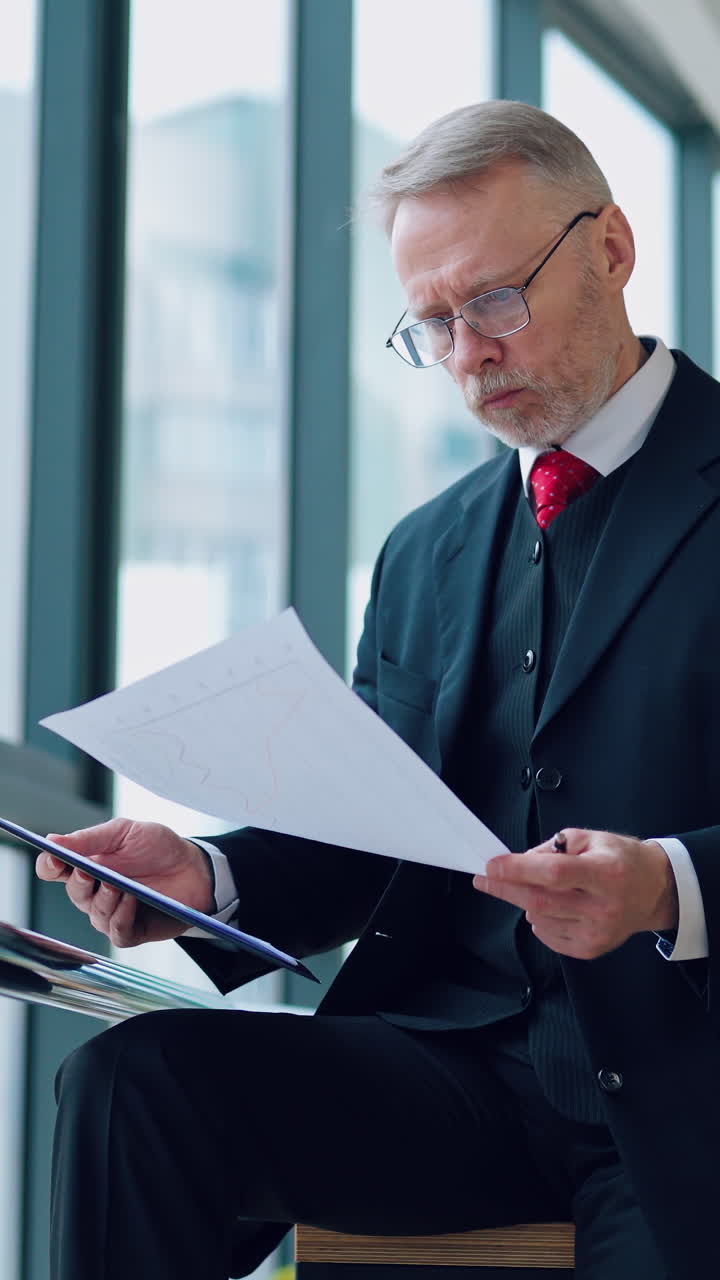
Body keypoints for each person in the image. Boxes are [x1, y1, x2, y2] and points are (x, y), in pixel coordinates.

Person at [38, 101, 720, 1280]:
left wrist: (668, 886)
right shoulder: (428, 547)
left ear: (610, 248)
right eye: (433, 322)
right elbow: (378, 832)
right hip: (454, 1070)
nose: (468, 353)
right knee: (135, 1081)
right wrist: (212, 878)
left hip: (687, 1086)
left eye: (494, 300)